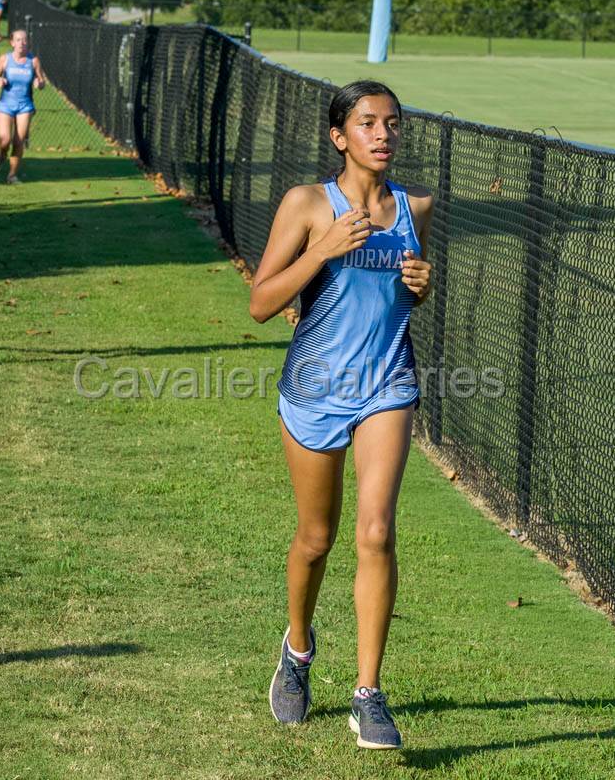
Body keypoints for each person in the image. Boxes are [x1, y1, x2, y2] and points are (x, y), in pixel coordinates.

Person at [248, 80, 433, 750]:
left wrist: (421, 288)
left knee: (377, 530)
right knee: (316, 538)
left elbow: (397, 302)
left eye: (392, 123)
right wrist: (321, 249)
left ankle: (369, 693)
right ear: (339, 136)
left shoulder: (415, 206)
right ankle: (297, 650)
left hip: (388, 383)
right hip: (315, 387)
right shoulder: (306, 204)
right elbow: (262, 302)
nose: (383, 134)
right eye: (368, 123)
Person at [0, 29, 46, 184]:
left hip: (25, 106)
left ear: (28, 42)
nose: (22, 43)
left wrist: (38, 83)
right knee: (5, 140)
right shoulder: (5, 59)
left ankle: (12, 175)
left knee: (19, 141)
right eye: (18, 40)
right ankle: (1, 155)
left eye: (24, 40)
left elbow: (42, 81)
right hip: (6, 104)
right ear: (12, 43)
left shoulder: (33, 61)